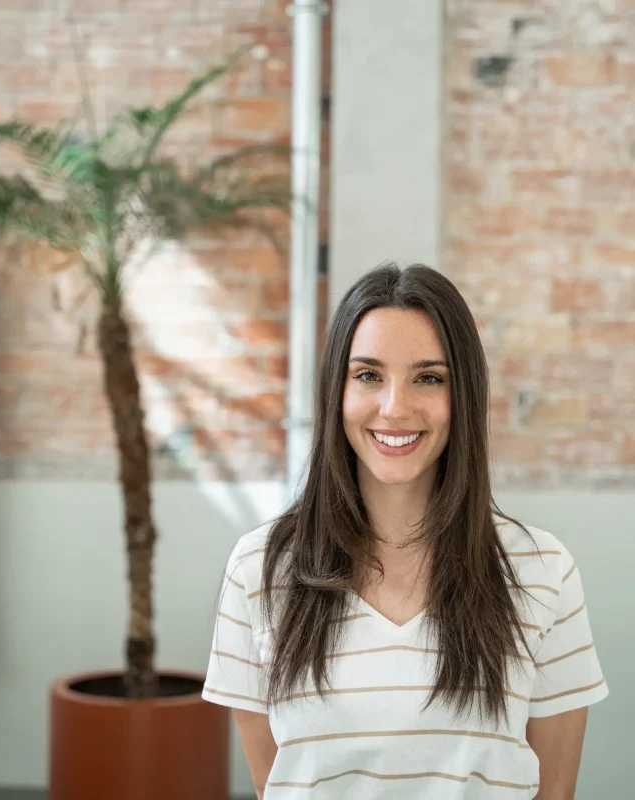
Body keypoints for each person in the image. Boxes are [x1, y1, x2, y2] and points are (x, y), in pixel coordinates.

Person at [202, 263, 609, 799]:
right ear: (336, 393)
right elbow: (276, 785)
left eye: (429, 378)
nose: (395, 408)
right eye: (368, 375)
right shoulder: (259, 569)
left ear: (462, 395)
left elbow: (554, 793)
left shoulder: (542, 571)